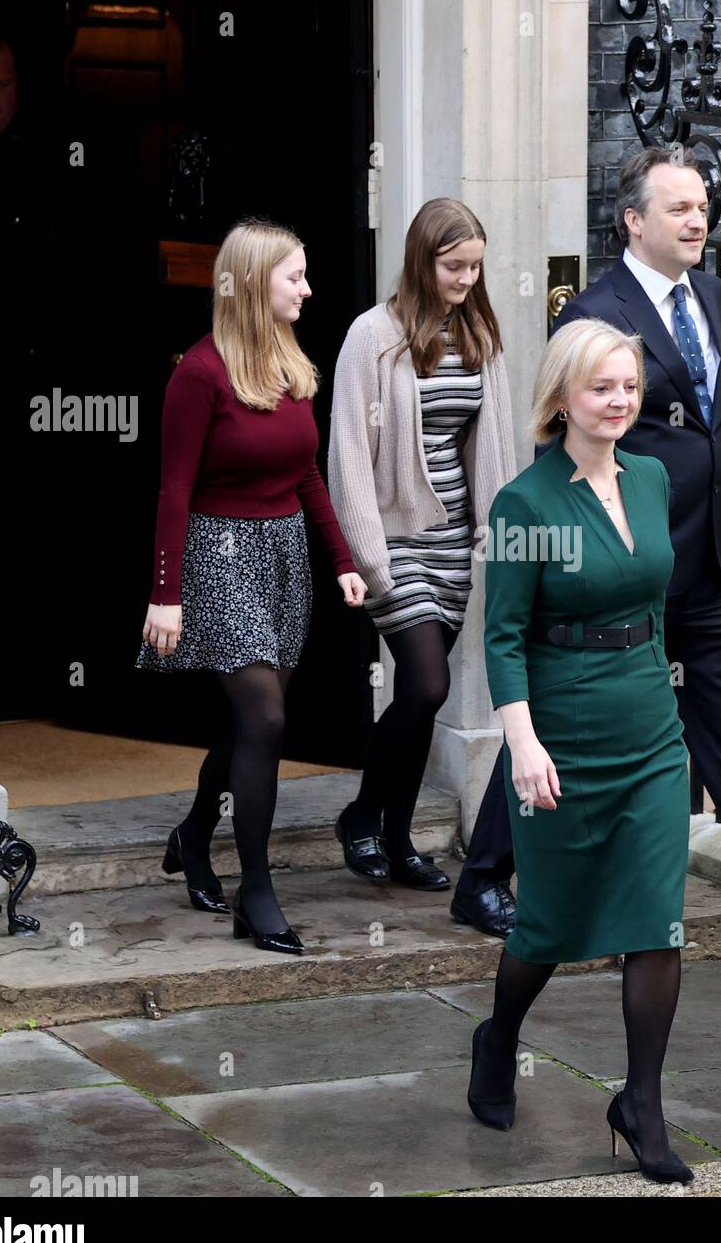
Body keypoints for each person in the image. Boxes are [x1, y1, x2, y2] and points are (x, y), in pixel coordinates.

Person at [455, 146, 721, 967]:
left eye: (702, 207)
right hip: (625, 565)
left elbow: (714, 434)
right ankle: (484, 874)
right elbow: (576, 439)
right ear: (633, 220)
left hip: (709, 565)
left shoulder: (715, 296)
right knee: (552, 719)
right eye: (679, 209)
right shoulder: (593, 309)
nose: (698, 221)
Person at [467, 317, 695, 1184]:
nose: (619, 401)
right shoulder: (525, 501)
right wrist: (521, 743)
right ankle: (498, 1038)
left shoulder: (649, 477)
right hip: (558, 736)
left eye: (629, 387)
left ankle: (641, 1102)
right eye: (601, 387)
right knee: (548, 927)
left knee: (655, 922)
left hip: (648, 735)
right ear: (561, 396)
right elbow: (503, 637)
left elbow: (653, 603)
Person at [137, 218, 366, 953]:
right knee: (265, 720)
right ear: (251, 283)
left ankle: (197, 828)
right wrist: (164, 592)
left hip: (283, 554)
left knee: (247, 722)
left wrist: (341, 560)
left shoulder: (291, 366)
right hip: (217, 549)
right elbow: (172, 488)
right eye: (293, 276)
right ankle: (257, 892)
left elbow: (306, 475)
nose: (307, 288)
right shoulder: (199, 374)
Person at [325, 199, 517, 889]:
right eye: (454, 265)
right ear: (422, 259)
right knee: (428, 680)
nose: (467, 277)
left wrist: (499, 534)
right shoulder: (371, 336)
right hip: (394, 536)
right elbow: (347, 451)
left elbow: (491, 446)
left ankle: (394, 837)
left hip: (452, 540)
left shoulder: (476, 334)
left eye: (474, 265)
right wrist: (367, 556)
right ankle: (365, 817)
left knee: (420, 693)